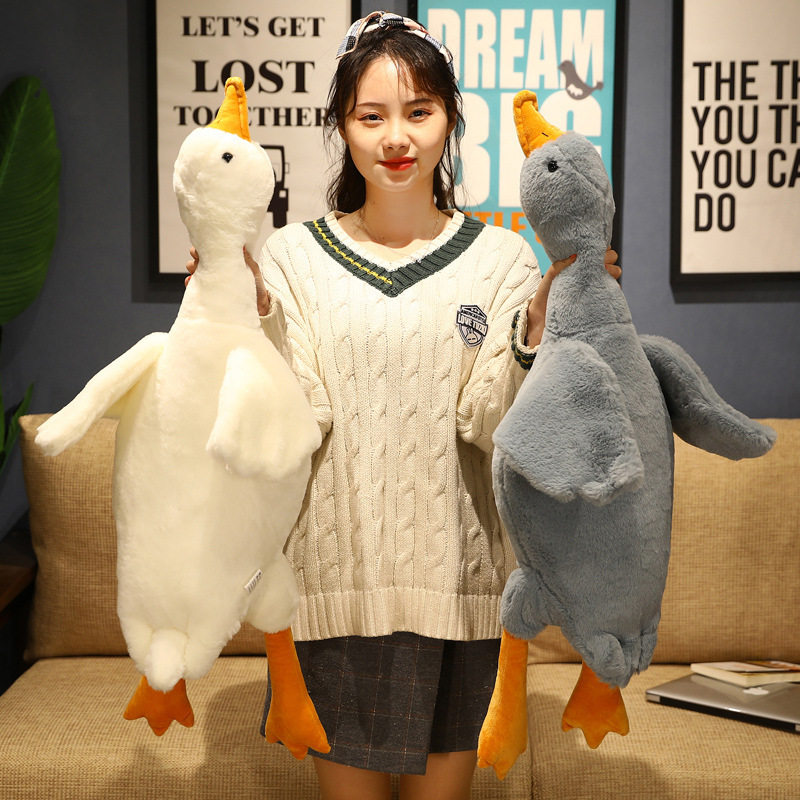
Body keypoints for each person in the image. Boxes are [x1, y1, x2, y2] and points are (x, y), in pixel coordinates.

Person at [187, 11, 619, 800]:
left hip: (462, 600)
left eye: (419, 112)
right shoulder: (291, 259)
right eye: (371, 116)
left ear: (450, 118)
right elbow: (293, 421)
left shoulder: (502, 261)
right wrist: (244, 312)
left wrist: (536, 329)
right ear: (341, 126)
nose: (397, 138)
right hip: (332, 599)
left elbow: (497, 427)